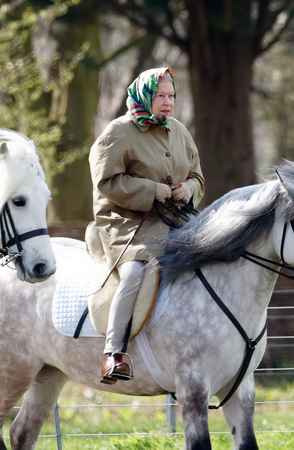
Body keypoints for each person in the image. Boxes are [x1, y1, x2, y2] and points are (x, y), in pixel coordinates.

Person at [88, 67, 205, 385]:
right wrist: (152, 190)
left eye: (171, 96)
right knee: (137, 272)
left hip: (177, 219)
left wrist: (189, 190)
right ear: (144, 96)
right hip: (126, 223)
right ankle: (113, 354)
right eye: (160, 96)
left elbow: (197, 176)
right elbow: (106, 182)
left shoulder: (179, 131)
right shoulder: (118, 131)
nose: (168, 102)